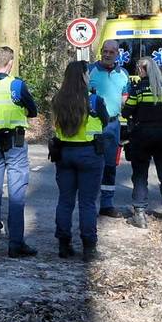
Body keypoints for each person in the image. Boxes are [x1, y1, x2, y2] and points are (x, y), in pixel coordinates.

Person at [0, 46, 39, 257]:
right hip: (15, 142)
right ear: (10, 63)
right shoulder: (16, 85)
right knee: (16, 193)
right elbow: (33, 110)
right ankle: (15, 244)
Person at [50, 60, 110, 259]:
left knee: (65, 201)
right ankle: (89, 247)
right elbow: (106, 120)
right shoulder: (94, 101)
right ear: (84, 76)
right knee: (87, 203)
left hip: (64, 153)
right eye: (88, 73)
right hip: (89, 154)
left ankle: (63, 245)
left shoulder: (57, 100)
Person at [122, 57, 162, 229]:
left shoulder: (138, 89)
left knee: (140, 176)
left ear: (142, 69)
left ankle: (140, 214)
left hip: (141, 136)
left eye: (137, 69)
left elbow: (127, 111)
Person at [89, 40, 131, 218]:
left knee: (109, 166)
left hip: (113, 125)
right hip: (91, 124)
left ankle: (107, 204)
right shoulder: (89, 70)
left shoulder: (123, 73)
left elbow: (125, 97)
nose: (107, 55)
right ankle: (88, 202)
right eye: (104, 51)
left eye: (111, 52)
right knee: (90, 165)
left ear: (117, 54)